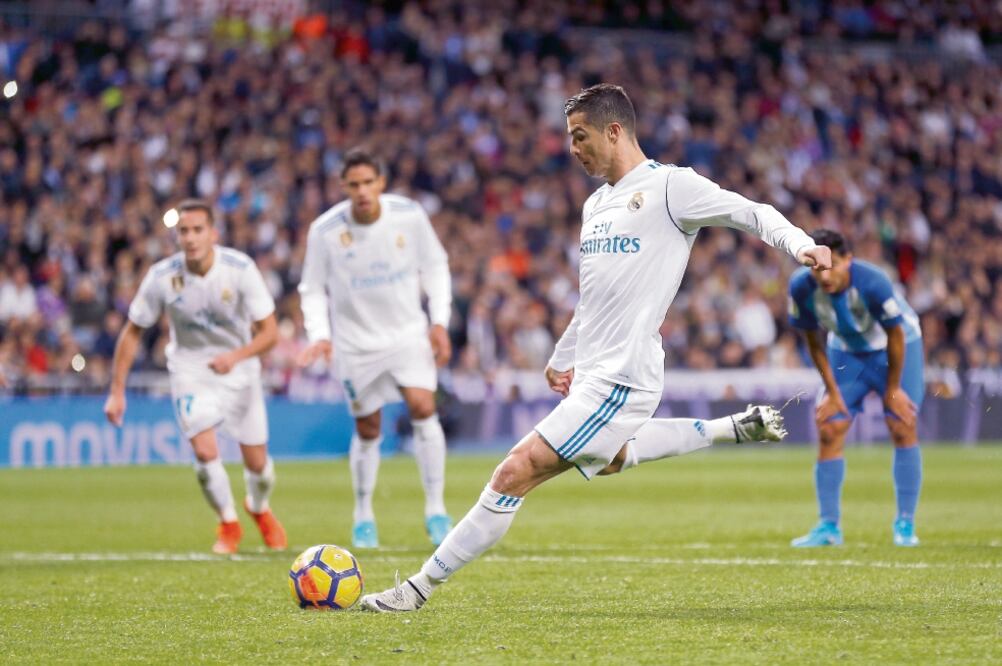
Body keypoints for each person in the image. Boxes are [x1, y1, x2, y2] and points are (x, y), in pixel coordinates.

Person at [359, 83, 832, 612]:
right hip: (592, 373)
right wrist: (564, 355)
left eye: (579, 136)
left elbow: (752, 211)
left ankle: (415, 591)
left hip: (623, 375)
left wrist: (800, 244)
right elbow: (593, 298)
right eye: (569, 138)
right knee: (607, 460)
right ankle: (733, 428)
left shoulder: (672, 187)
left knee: (515, 471)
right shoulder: (595, 205)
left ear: (614, 131)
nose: (573, 148)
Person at [104, 199, 287, 554]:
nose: (190, 238)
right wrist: (117, 390)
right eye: (183, 231)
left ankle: (259, 508)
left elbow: (270, 333)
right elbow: (132, 331)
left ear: (213, 233)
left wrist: (235, 356)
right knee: (204, 449)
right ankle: (228, 522)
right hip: (191, 370)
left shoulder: (240, 269)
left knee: (259, 465)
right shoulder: (161, 277)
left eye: (197, 230)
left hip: (240, 368)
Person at [297, 148, 454, 549]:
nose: (363, 191)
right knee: (368, 429)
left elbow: (435, 266)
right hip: (355, 344)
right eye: (354, 184)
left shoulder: (409, 215)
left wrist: (439, 320)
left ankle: (436, 509)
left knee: (423, 407)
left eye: (369, 182)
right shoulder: (325, 230)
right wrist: (319, 333)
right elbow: (312, 287)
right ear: (344, 187)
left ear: (381, 183)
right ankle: (363, 515)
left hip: (406, 335)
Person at [788, 229, 924, 547]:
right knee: (828, 428)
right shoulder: (800, 287)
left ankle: (905, 524)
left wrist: (893, 390)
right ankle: (828, 526)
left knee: (902, 424)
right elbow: (812, 340)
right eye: (817, 267)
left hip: (896, 348)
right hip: (846, 352)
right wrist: (833, 393)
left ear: (849, 260)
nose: (824, 274)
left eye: (833, 265)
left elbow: (896, 335)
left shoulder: (873, 282)